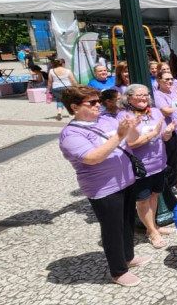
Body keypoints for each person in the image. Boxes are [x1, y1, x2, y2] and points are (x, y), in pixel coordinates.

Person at [58, 85, 148, 287]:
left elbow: (131, 141)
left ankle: (127, 257)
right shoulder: (71, 134)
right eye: (92, 102)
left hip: (126, 181)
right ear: (74, 107)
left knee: (126, 223)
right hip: (103, 188)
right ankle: (118, 271)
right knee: (112, 229)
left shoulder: (106, 119)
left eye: (98, 101)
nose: (98, 105)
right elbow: (92, 157)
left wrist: (131, 128)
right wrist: (119, 135)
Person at [117, 84, 177, 249]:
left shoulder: (155, 112)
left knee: (155, 195)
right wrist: (153, 133)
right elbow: (131, 143)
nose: (143, 98)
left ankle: (154, 226)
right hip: (139, 167)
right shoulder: (125, 116)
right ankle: (151, 231)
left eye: (145, 95)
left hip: (158, 163)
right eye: (139, 95)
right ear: (128, 98)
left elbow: (164, 137)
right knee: (143, 200)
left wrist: (168, 131)